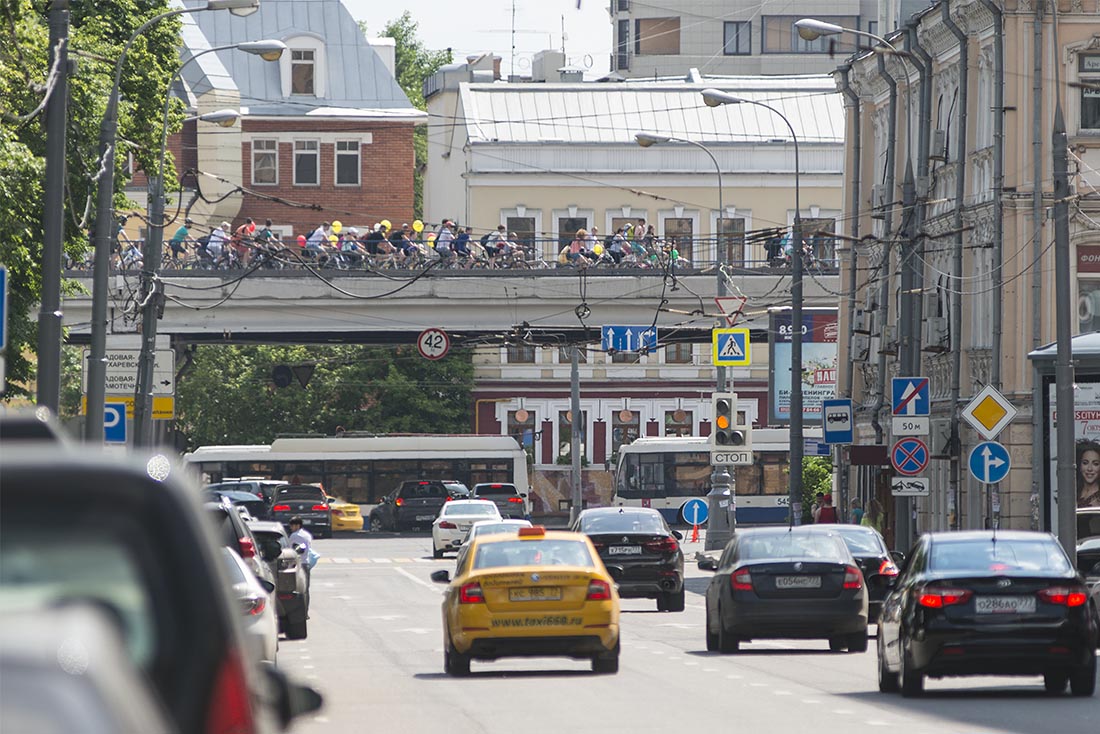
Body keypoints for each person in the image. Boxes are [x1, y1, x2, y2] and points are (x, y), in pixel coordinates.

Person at [287, 516, 315, 616]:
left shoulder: (295, 536)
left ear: (297, 525)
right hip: (306, 563)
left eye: (292, 525)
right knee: (306, 589)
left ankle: (297, 612)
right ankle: (305, 612)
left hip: (297, 564)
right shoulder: (307, 535)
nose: (291, 528)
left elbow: (292, 550)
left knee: (296, 589)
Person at [1077, 441, 1100, 507]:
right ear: (1079, 465)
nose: (1089, 469)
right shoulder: (1072, 492)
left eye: (1095, 464)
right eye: (1085, 463)